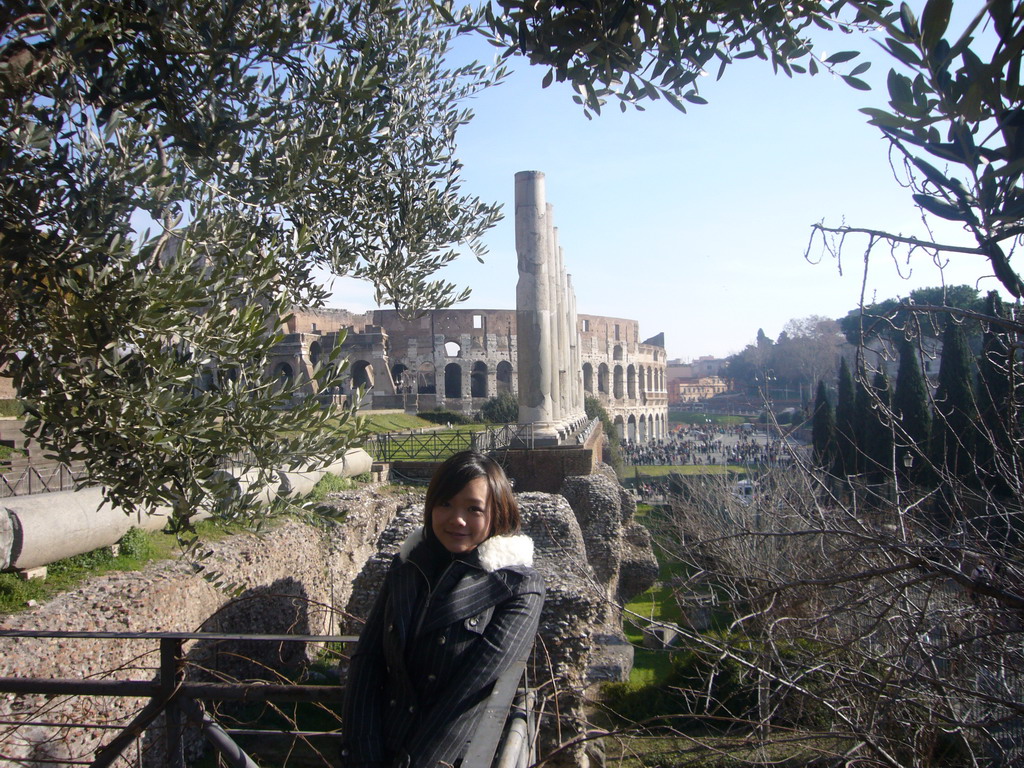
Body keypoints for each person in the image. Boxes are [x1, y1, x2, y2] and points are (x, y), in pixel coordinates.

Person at [340, 451, 545, 768]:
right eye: (445, 503)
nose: (456, 519)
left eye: (473, 509)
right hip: (381, 747)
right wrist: (363, 751)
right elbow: (368, 659)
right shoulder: (408, 565)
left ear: (498, 513)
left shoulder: (517, 585)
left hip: (459, 756)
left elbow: (473, 686)